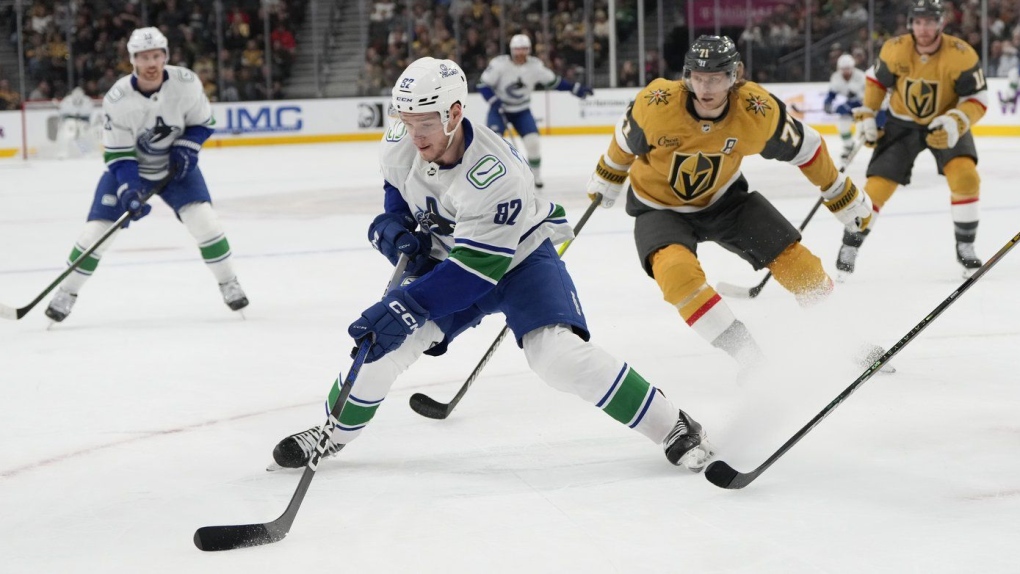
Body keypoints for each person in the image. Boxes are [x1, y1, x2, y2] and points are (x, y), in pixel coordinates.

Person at [271, 57, 710, 473]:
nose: (415, 135)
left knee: (556, 357)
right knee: (383, 347)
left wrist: (405, 306)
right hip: (452, 257)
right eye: (407, 122)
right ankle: (333, 433)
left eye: (425, 123)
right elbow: (397, 183)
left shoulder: (494, 173)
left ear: (454, 112)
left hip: (518, 261)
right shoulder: (402, 139)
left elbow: (476, 273)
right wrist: (396, 221)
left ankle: (671, 423)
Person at [584, 35, 881, 372]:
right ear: (687, 76)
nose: (705, 88)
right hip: (658, 207)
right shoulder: (658, 104)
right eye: (698, 77)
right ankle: (750, 359)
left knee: (802, 268)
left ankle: (844, 340)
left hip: (725, 200)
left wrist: (838, 191)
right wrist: (609, 172)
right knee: (677, 275)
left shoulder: (756, 110)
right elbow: (625, 140)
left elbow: (807, 147)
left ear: (734, 76)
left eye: (714, 78)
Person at [43, 27, 248, 323]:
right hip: (131, 169)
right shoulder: (118, 97)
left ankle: (229, 282)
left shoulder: (186, 83)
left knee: (205, 222)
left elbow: (203, 123)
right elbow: (119, 154)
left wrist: (188, 146)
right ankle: (67, 292)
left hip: (177, 168)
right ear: (133, 61)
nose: (150, 63)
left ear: (165, 56)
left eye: (156, 55)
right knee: (94, 235)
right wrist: (129, 189)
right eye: (143, 57)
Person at [837, 0, 989, 280]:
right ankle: (850, 246)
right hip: (900, 124)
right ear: (911, 24)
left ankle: (966, 247)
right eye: (918, 22)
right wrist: (869, 115)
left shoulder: (961, 54)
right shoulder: (895, 49)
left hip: (946, 122)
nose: (923, 28)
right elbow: (876, 81)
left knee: (966, 178)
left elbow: (978, 98)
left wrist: (957, 121)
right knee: (877, 188)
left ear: (941, 23)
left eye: (930, 22)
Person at [476, 33, 593, 188]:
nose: (520, 53)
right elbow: (483, 85)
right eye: (517, 50)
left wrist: (574, 88)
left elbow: (553, 82)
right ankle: (493, 179)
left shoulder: (535, 66)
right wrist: (494, 101)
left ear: (529, 50)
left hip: (522, 110)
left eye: (524, 49)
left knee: (533, 143)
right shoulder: (499, 64)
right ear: (512, 50)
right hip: (499, 110)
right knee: (493, 143)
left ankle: (535, 177)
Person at [824, 54, 866, 162]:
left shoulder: (861, 76)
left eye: (848, 69)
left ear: (852, 67)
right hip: (850, 107)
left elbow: (861, 98)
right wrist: (827, 103)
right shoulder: (836, 77)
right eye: (843, 69)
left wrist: (846, 106)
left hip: (863, 108)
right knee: (842, 126)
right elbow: (832, 94)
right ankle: (849, 146)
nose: (846, 72)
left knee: (861, 130)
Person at [55, 86, 98, 159]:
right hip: (70, 121)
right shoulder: (67, 100)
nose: (78, 96)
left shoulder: (87, 100)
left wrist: (81, 116)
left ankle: (88, 152)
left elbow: (90, 112)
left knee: (87, 135)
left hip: (83, 121)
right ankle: (62, 152)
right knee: (64, 135)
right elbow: (62, 112)